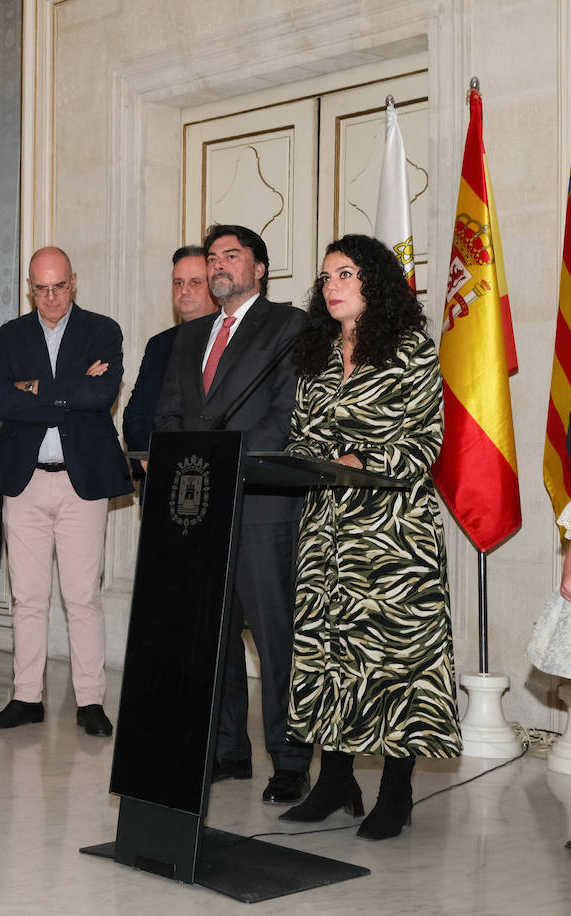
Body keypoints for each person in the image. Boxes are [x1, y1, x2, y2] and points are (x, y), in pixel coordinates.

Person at [279, 234, 459, 840]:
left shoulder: (411, 349)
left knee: (392, 661)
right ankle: (335, 781)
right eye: (326, 276)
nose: (331, 285)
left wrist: (367, 459)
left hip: (392, 538)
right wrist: (313, 460)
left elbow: (426, 440)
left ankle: (397, 791)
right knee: (330, 656)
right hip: (325, 530)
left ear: (374, 282)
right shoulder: (316, 352)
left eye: (346, 274)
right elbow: (301, 435)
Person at [154, 224, 311, 803]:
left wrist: (223, 461)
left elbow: (284, 415)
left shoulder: (289, 326)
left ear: (259, 268)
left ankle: (290, 760)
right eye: (213, 257)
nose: (219, 266)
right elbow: (169, 414)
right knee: (213, 638)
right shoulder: (191, 336)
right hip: (203, 508)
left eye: (232, 256)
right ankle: (228, 752)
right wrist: (190, 466)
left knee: (275, 641)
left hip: (263, 506)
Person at [0, 246, 132, 738]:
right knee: (26, 597)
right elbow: (2, 403)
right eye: (41, 289)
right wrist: (68, 390)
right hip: (24, 483)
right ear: (31, 288)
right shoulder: (8, 336)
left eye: (60, 286)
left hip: (81, 480)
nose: (51, 298)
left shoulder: (103, 330)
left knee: (82, 596)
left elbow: (101, 395)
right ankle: (27, 697)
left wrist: (38, 391)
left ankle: (90, 700)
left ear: (75, 281)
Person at [121, 245, 217, 475]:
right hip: (157, 477)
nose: (184, 291)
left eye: (195, 282)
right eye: (178, 282)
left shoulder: (233, 341)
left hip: (212, 476)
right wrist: (146, 458)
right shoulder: (158, 345)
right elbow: (134, 414)